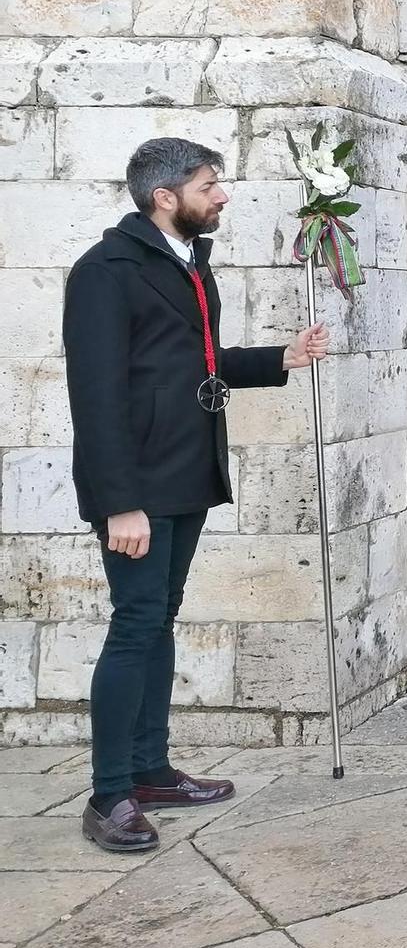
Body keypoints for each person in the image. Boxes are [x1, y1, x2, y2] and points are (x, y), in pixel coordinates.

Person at [64, 138, 329, 853]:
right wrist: (119, 502)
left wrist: (279, 359)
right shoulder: (105, 273)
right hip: (136, 486)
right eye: (210, 184)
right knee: (135, 623)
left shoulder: (186, 264)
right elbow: (96, 397)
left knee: (160, 619)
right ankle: (110, 794)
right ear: (165, 196)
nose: (222, 195)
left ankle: (151, 770)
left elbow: (194, 363)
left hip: (186, 472)